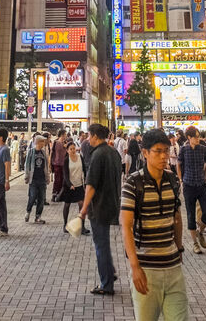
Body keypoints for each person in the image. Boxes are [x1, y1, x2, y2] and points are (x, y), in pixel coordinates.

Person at [121, 129, 186, 320]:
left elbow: (177, 217)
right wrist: (135, 267)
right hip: (147, 270)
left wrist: (179, 248)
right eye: (158, 151)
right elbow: (126, 225)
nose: (164, 156)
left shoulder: (173, 180)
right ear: (145, 153)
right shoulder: (133, 183)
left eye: (166, 150)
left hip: (173, 268)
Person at [80, 123, 122, 296]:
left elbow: (91, 185)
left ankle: (106, 284)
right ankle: (109, 273)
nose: (88, 139)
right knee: (103, 243)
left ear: (96, 136)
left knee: (101, 245)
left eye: (90, 136)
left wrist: (83, 210)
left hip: (99, 206)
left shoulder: (97, 155)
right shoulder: (114, 153)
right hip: (112, 203)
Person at [175, 126, 206, 254]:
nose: (198, 138)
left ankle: (200, 232)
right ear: (189, 137)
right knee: (190, 214)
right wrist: (181, 180)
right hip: (188, 185)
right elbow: (178, 164)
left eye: (198, 136)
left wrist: (205, 173)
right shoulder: (184, 150)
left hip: (201, 185)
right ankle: (195, 243)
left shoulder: (203, 149)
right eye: (195, 136)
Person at [60, 141, 89, 234]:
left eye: (74, 148)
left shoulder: (80, 157)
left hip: (79, 184)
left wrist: (85, 181)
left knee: (81, 204)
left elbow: (84, 169)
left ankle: (82, 226)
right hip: (69, 186)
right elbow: (65, 174)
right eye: (71, 149)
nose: (73, 150)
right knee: (67, 205)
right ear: (67, 150)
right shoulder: (66, 160)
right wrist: (70, 185)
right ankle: (65, 224)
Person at [25, 135, 49, 224]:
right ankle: (28, 211)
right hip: (33, 179)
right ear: (38, 142)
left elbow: (46, 165)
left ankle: (38, 216)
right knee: (32, 196)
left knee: (41, 198)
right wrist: (26, 176)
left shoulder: (43, 153)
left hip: (42, 179)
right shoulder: (31, 152)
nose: (44, 143)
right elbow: (27, 164)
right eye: (42, 141)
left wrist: (47, 177)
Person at [52, 129, 69, 200]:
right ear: (62, 135)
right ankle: (55, 194)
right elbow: (53, 153)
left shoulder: (64, 143)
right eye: (65, 134)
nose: (66, 136)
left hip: (63, 164)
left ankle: (60, 194)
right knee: (57, 179)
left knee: (62, 179)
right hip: (57, 163)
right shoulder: (57, 142)